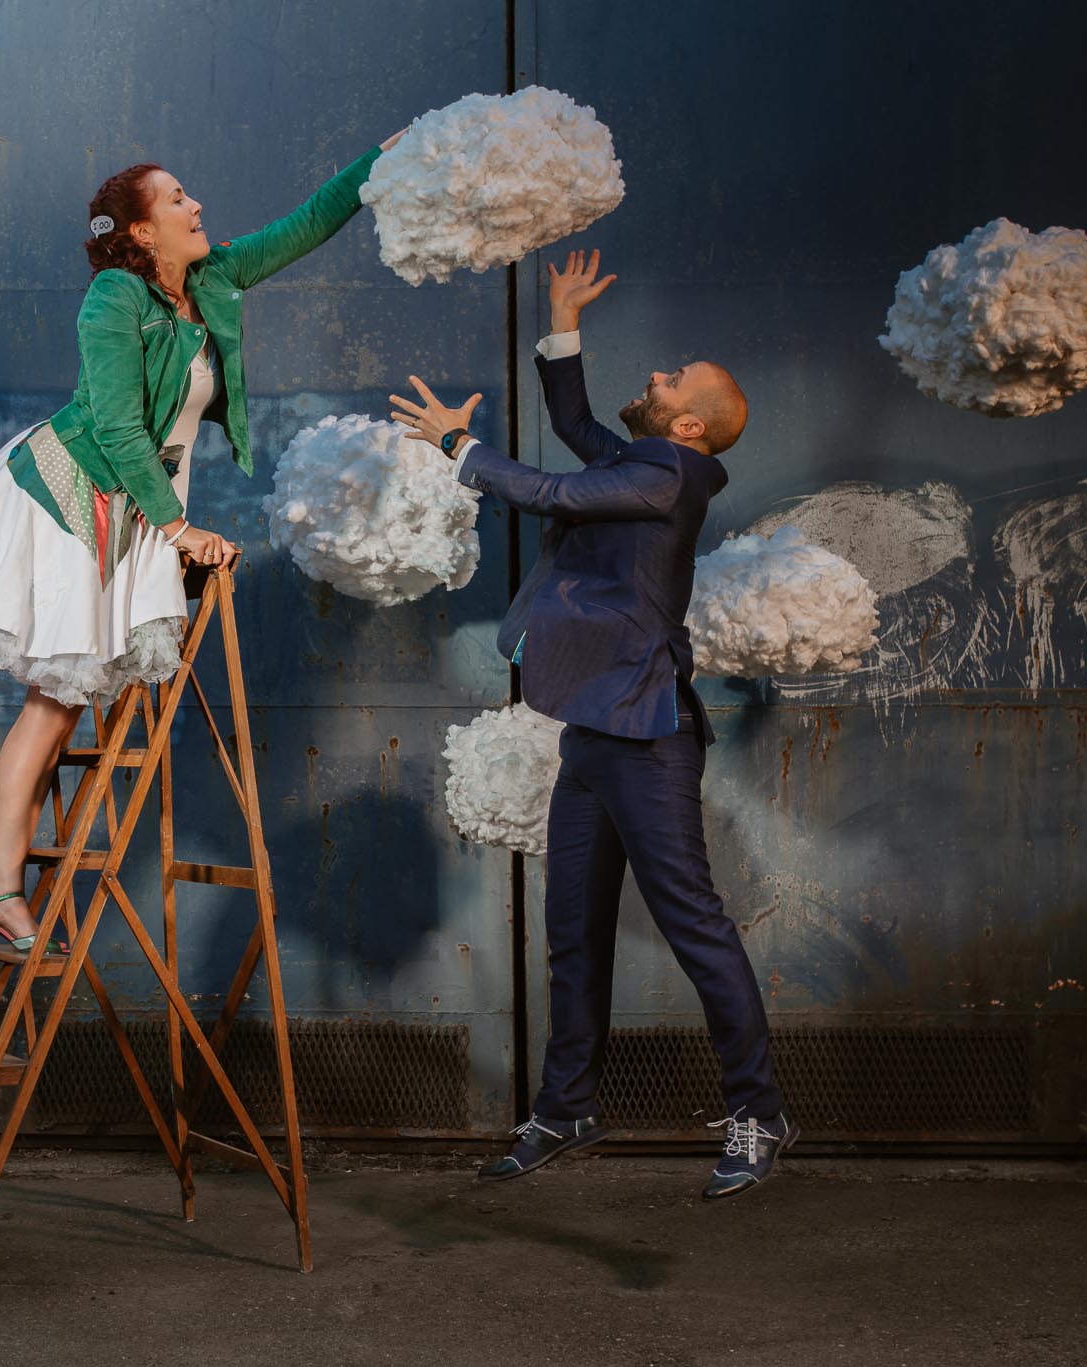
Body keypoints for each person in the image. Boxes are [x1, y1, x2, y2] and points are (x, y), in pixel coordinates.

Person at [0, 127, 408, 952]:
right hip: (65, 491)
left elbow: (309, 221)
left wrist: (383, 160)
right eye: (176, 198)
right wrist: (178, 527)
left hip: (131, 511)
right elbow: (118, 426)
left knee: (58, 700)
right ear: (140, 231)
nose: (196, 204)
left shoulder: (215, 278)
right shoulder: (113, 300)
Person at [390, 249, 793, 1199]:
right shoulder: (646, 462)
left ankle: (760, 1110)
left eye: (670, 379)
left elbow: (553, 493)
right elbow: (573, 426)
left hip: (648, 736)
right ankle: (567, 1105)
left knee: (696, 928)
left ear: (688, 424)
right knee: (574, 926)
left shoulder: (673, 478)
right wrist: (563, 324)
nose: (652, 376)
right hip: (594, 733)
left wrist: (459, 449)